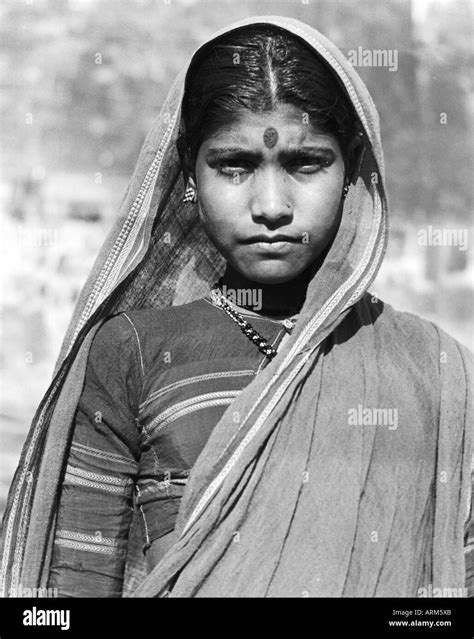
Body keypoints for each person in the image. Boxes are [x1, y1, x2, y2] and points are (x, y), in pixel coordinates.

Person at [1, 15, 472, 599]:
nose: (271, 206)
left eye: (306, 163)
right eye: (235, 165)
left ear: (351, 168)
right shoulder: (132, 355)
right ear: (190, 172)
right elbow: (71, 593)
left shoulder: (437, 372)